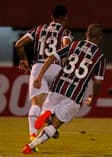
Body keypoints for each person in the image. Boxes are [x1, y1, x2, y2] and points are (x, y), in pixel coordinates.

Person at [22, 24, 106, 154]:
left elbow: (51, 57)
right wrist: (92, 96)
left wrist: (39, 77)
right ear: (100, 38)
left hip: (58, 86)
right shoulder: (100, 56)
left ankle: (47, 114)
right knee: (55, 126)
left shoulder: (74, 45)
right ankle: (31, 146)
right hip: (74, 94)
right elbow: (98, 81)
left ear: (86, 34)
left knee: (48, 112)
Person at [15, 5, 73, 150]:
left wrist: (24, 60)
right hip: (56, 67)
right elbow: (66, 45)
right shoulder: (65, 31)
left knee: (36, 103)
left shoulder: (38, 29)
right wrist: (66, 60)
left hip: (38, 67)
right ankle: (49, 117)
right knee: (60, 100)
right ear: (65, 17)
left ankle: (33, 136)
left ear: (51, 17)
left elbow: (19, 44)